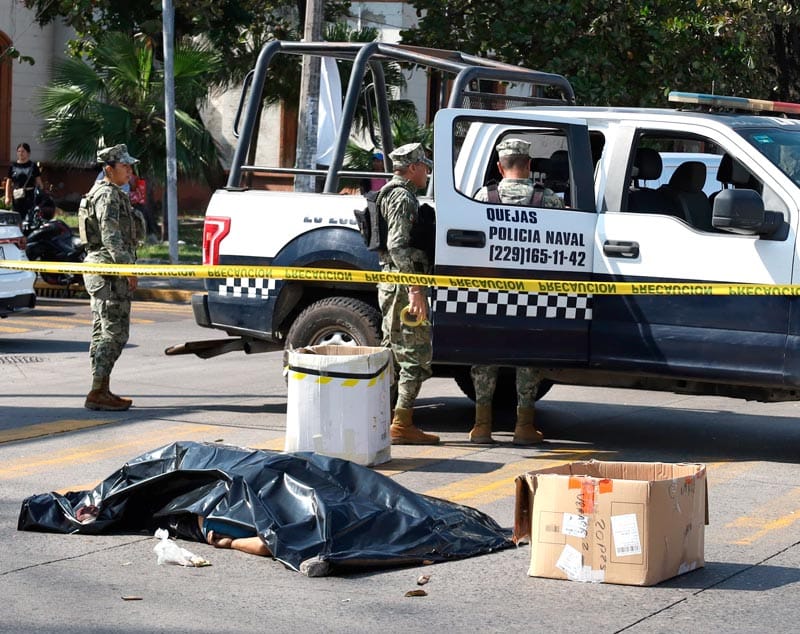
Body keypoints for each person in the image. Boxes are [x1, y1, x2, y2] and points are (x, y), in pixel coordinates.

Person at [469, 138, 564, 445]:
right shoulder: (548, 199)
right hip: (531, 292)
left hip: (489, 290)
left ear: (499, 166)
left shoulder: (483, 196)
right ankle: (524, 426)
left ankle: (481, 426)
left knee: (484, 355)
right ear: (529, 165)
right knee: (527, 357)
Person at [377, 142, 438, 445]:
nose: (427, 171)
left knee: (394, 350)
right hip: (403, 284)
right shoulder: (402, 197)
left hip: (393, 282)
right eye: (424, 166)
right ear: (412, 167)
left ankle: (386, 418)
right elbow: (397, 245)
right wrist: (415, 288)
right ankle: (402, 422)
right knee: (414, 353)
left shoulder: (393, 192)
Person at [79, 144, 145, 411]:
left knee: (102, 331)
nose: (129, 170)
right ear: (109, 169)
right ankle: (97, 391)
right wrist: (127, 270)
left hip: (102, 270)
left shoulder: (104, 193)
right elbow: (111, 237)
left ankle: (101, 388)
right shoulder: (106, 196)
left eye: (130, 165)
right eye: (124, 166)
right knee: (114, 333)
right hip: (108, 271)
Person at [4, 142, 44, 222]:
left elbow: (39, 182)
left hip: (29, 196)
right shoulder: (13, 166)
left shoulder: (33, 166)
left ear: (28, 153)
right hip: (17, 196)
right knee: (16, 218)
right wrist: (7, 197)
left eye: (23, 151)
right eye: (19, 151)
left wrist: (41, 193)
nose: (20, 153)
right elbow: (8, 182)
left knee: (29, 218)